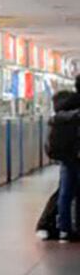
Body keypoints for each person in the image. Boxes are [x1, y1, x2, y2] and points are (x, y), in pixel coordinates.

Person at [49, 89, 80, 242]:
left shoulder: (57, 117)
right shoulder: (77, 116)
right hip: (78, 157)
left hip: (66, 159)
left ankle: (64, 231)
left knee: (65, 194)